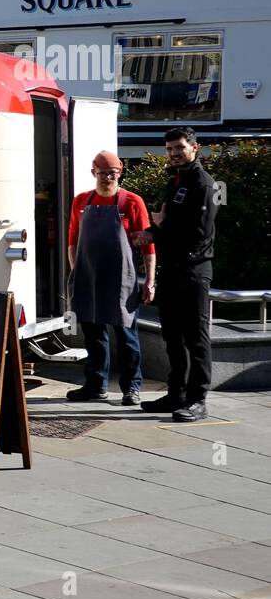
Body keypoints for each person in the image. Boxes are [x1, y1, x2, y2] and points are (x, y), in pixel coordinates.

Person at [134, 126, 217, 422]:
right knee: (171, 335)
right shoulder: (176, 180)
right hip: (172, 271)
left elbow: (197, 233)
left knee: (196, 338)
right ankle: (177, 394)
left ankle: (197, 400)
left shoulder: (203, 184)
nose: (174, 154)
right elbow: (169, 224)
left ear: (194, 147)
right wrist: (150, 232)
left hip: (193, 272)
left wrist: (162, 227)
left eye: (179, 147)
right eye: (169, 149)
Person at [66, 150, 155, 405]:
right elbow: (73, 240)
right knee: (94, 337)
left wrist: (149, 281)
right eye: (103, 172)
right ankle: (95, 385)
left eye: (113, 173)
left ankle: (132, 388)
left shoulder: (132, 202)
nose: (108, 177)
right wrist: (76, 272)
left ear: (120, 172)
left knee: (127, 336)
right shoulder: (81, 201)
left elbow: (148, 246)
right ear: (93, 172)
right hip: (88, 278)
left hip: (122, 281)